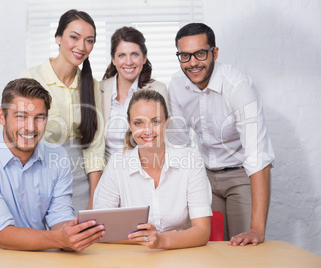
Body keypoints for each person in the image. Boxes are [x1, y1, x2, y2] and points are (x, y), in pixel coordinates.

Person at [0, 78, 105, 250]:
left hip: (37, 259)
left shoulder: (57, 157)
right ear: (1, 117)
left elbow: (60, 217)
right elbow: (2, 234)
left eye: (39, 118)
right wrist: (60, 239)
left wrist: (73, 235)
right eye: (21, 117)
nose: (30, 127)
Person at [167, 23, 275, 246]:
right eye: (185, 56)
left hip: (241, 176)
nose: (193, 63)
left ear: (214, 52)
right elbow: (179, 146)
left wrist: (256, 229)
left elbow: (258, 156)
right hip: (203, 175)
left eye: (200, 53)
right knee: (206, 247)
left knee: (245, 248)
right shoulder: (176, 86)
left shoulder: (238, 87)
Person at [93, 89, 212, 250]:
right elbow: (101, 230)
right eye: (138, 123)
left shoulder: (191, 161)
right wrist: (148, 239)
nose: (147, 130)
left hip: (180, 254)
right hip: (133, 258)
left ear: (167, 122)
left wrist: (160, 241)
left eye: (155, 121)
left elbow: (202, 231)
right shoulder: (116, 165)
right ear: (129, 125)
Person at [19, 9, 105, 212]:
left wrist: (95, 198)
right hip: (35, 174)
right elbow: (5, 136)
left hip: (78, 179)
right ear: (58, 37)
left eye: (89, 40)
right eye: (74, 37)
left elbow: (94, 145)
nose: (82, 47)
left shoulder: (91, 85)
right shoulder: (31, 78)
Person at [100, 26, 168, 160]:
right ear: (113, 60)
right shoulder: (99, 89)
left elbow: (163, 140)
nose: (129, 62)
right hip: (106, 172)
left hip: (144, 169)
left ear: (144, 57)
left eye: (135, 54)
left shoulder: (158, 90)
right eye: (122, 55)